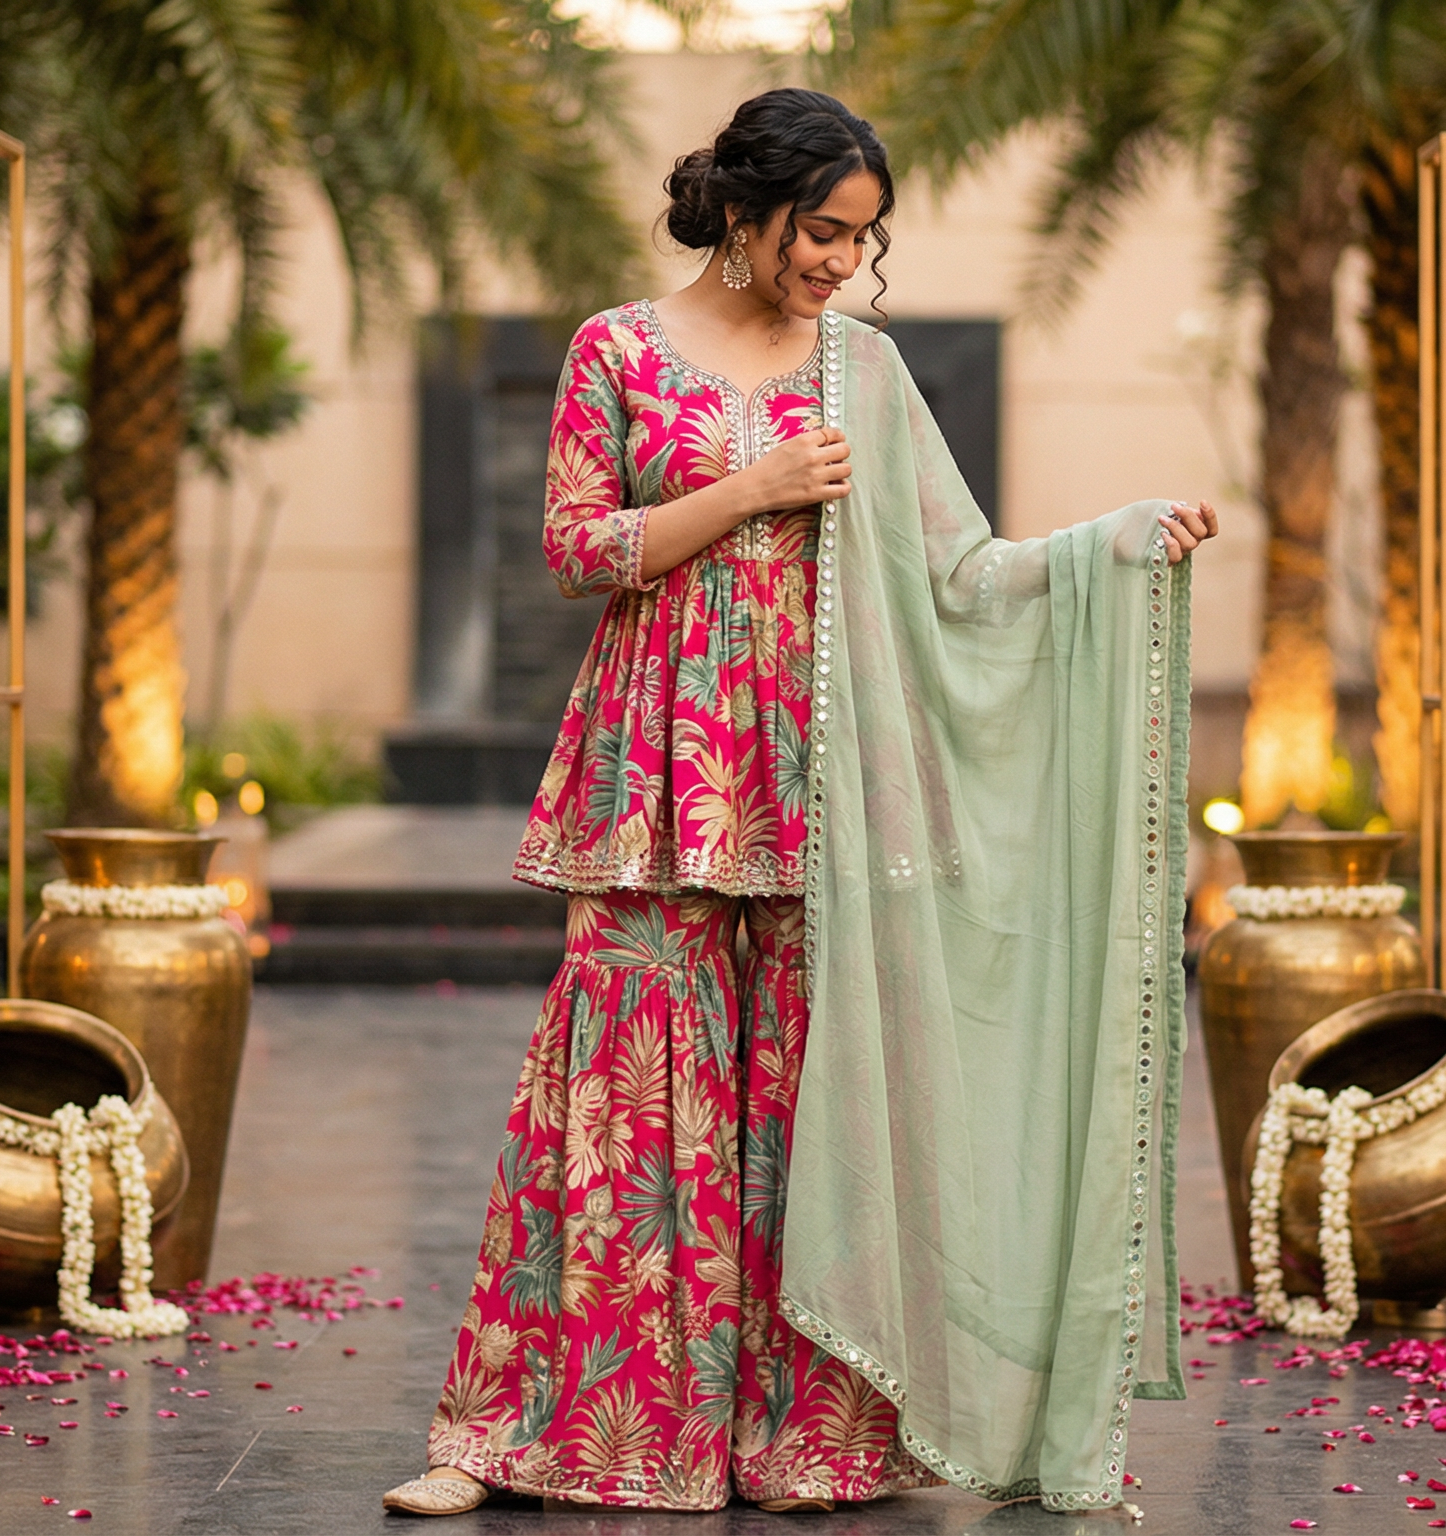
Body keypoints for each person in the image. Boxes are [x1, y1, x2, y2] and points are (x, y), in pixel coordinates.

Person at [382, 87, 1214, 1518]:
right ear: (749, 208)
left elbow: (964, 569)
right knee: (625, 1107)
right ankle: (530, 1436)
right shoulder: (618, 347)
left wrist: (1117, 544)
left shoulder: (868, 374)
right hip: (655, 777)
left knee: (809, 1117)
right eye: (823, 231)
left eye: (862, 238)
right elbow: (578, 550)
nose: (841, 260)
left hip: (820, 786)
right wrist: (756, 486)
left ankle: (796, 1439)